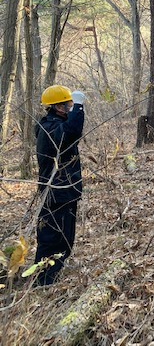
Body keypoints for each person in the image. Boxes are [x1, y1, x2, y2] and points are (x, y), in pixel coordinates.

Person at [34, 85, 85, 286]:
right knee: (52, 239)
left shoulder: (54, 124)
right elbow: (71, 132)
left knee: (64, 239)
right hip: (55, 193)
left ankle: (53, 276)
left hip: (65, 192)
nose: (71, 107)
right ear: (59, 108)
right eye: (69, 104)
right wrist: (79, 108)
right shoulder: (49, 128)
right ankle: (44, 281)